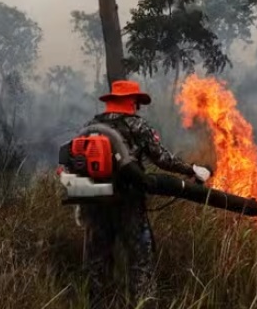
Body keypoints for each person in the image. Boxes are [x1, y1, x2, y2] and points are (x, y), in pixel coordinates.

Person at [77, 79, 212, 308]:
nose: (137, 106)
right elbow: (162, 159)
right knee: (141, 260)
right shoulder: (136, 126)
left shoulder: (91, 125)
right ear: (130, 101)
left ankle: (98, 304)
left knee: (97, 263)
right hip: (128, 202)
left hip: (94, 202)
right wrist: (191, 170)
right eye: (136, 102)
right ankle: (144, 303)